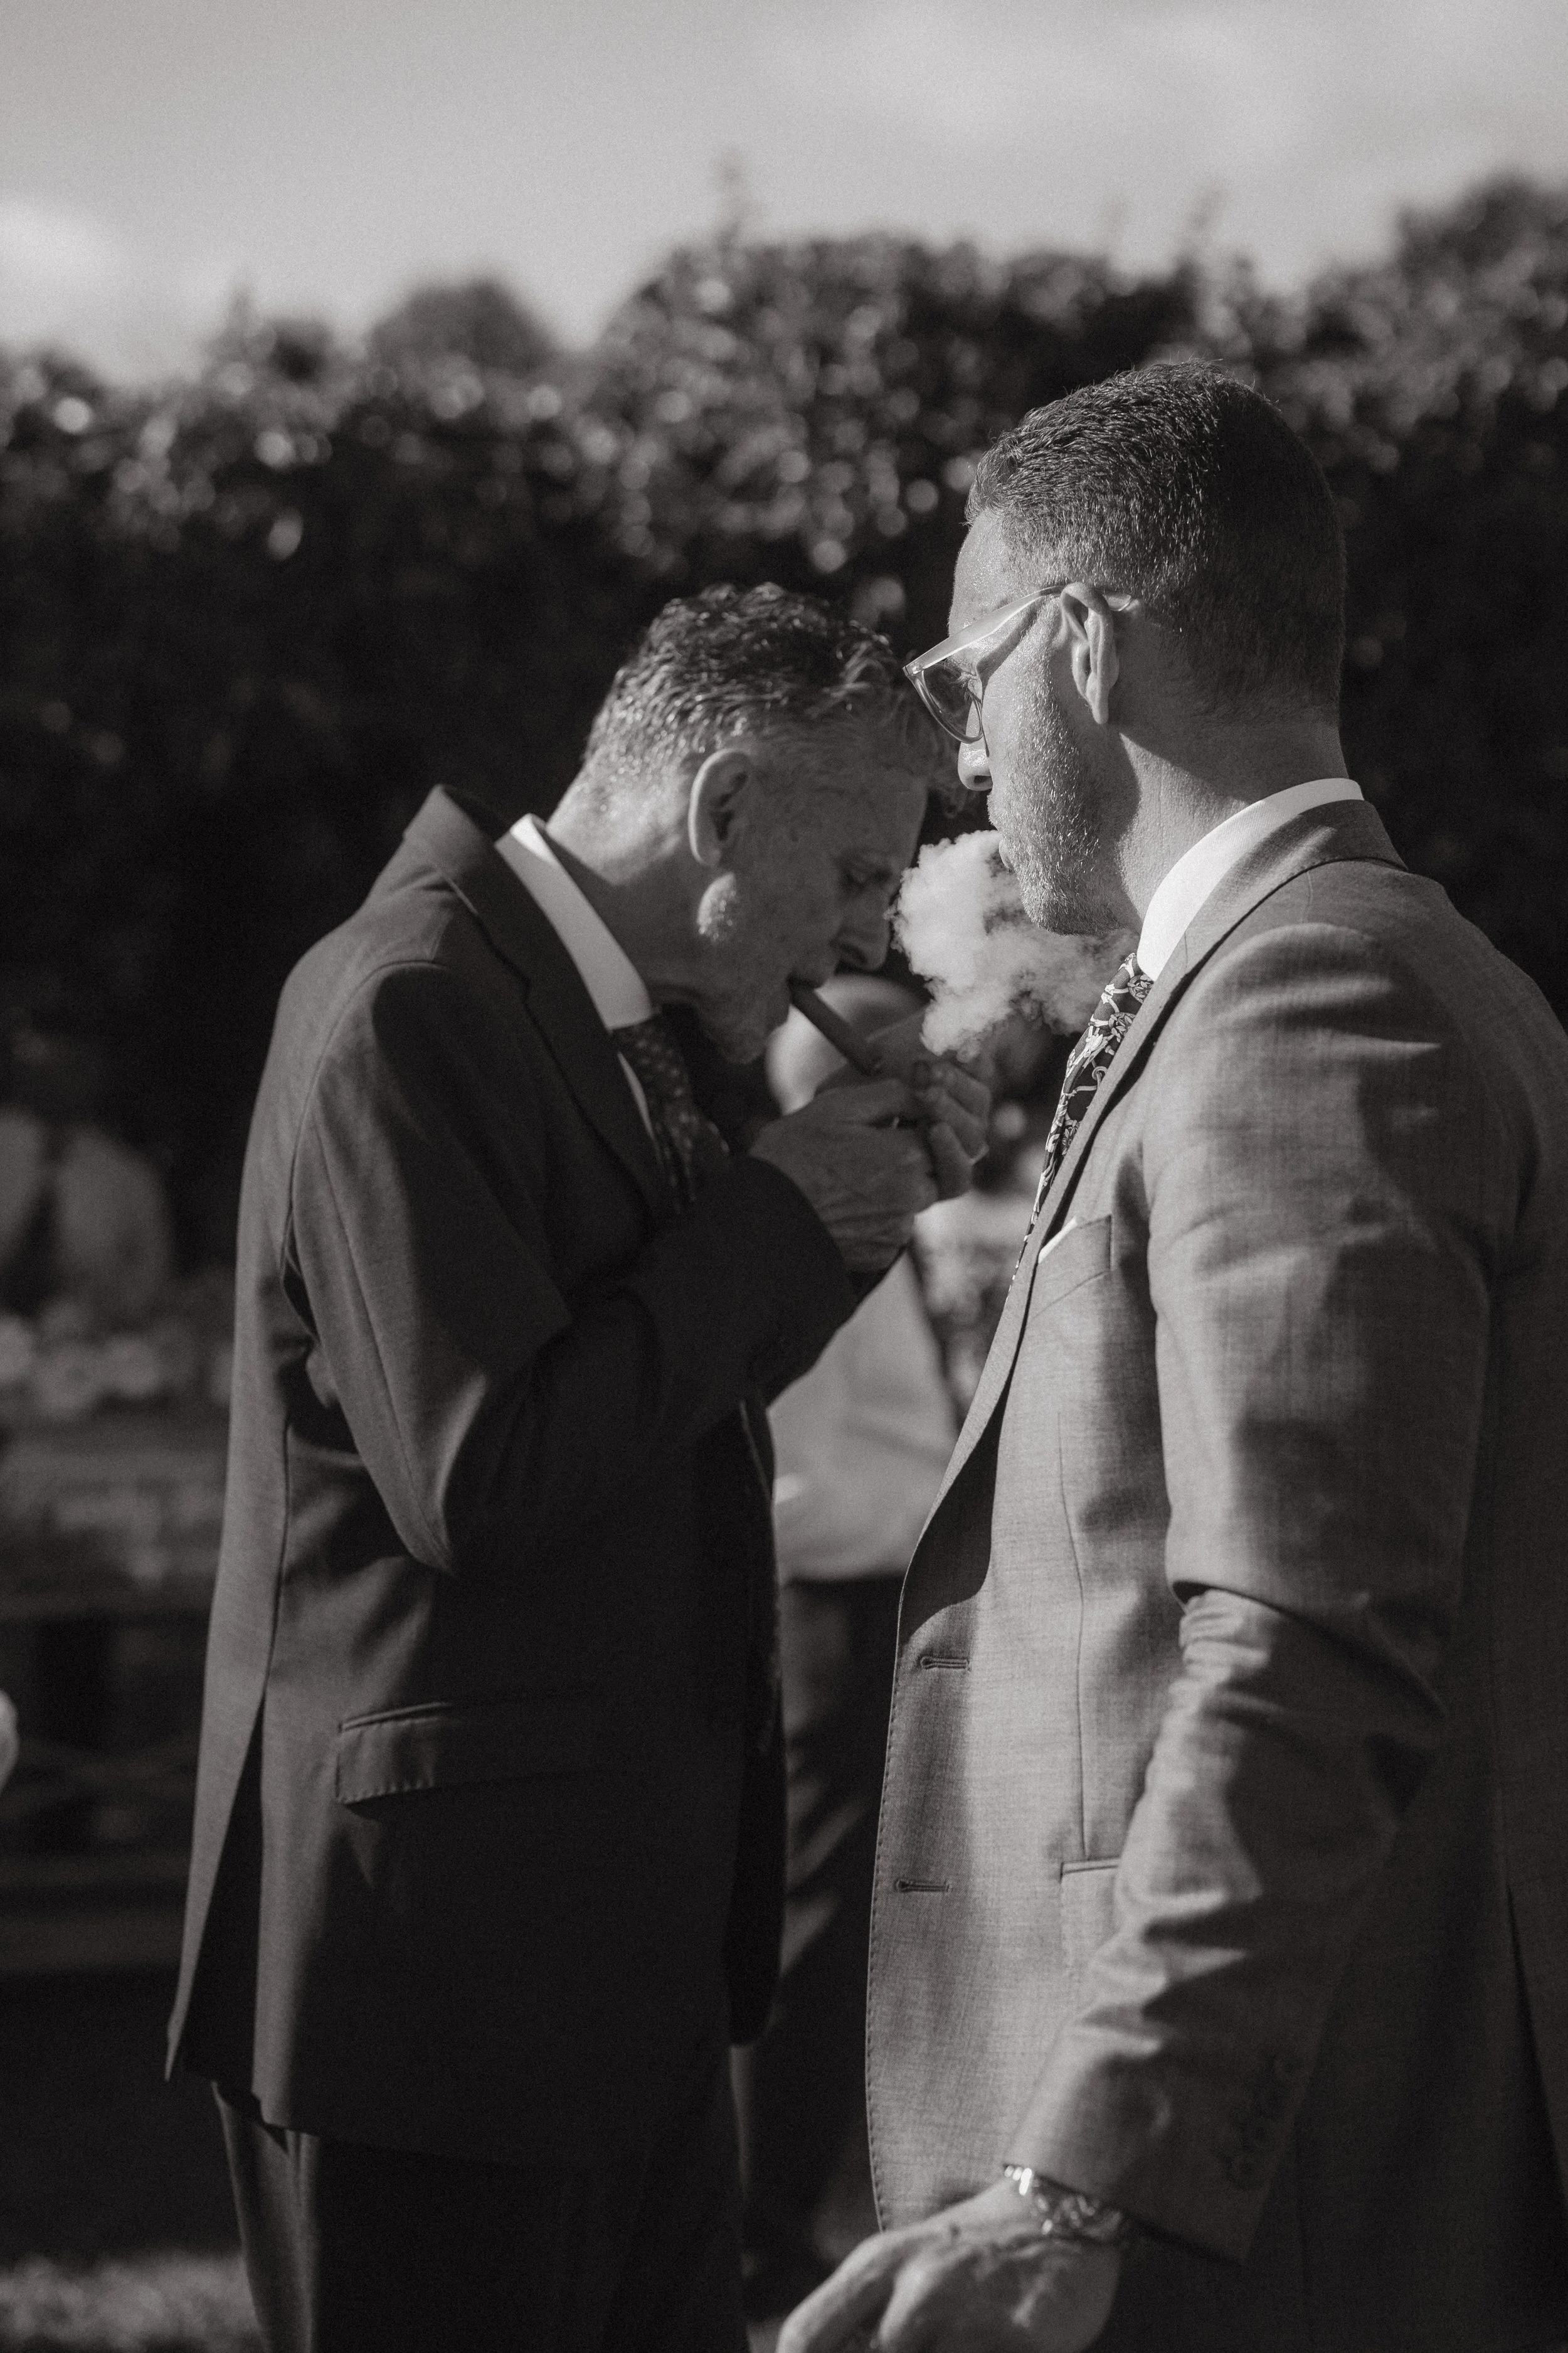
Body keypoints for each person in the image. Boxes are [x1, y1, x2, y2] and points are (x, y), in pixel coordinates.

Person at [783, 365, 1568, 2353]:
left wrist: (1085, 2177)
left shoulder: (1315, 992)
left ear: (1080, 641)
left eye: (966, 673)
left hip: (1259, 2208)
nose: (958, 750)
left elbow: (1306, 1637)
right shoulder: (1329, 966)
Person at [167, 583, 989, 2353]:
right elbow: (483, 1473)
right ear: (717, 812)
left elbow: (654, 1403)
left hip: (597, 1954)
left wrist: (845, 1224)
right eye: (856, 873)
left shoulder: (600, 1009)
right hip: (436, 1983)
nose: (872, 931)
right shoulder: (407, 997)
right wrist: (783, 1210)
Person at [735, 977, 958, 2321]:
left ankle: (802, 2202)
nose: (943, 1081)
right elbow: (786, 1491)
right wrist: (954, 1512)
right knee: (815, 1918)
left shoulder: (884, 1221)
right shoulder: (814, 1223)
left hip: (886, 1590)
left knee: (853, 1916)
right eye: (914, 1061)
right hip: (838, 1603)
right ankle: (762, 2220)